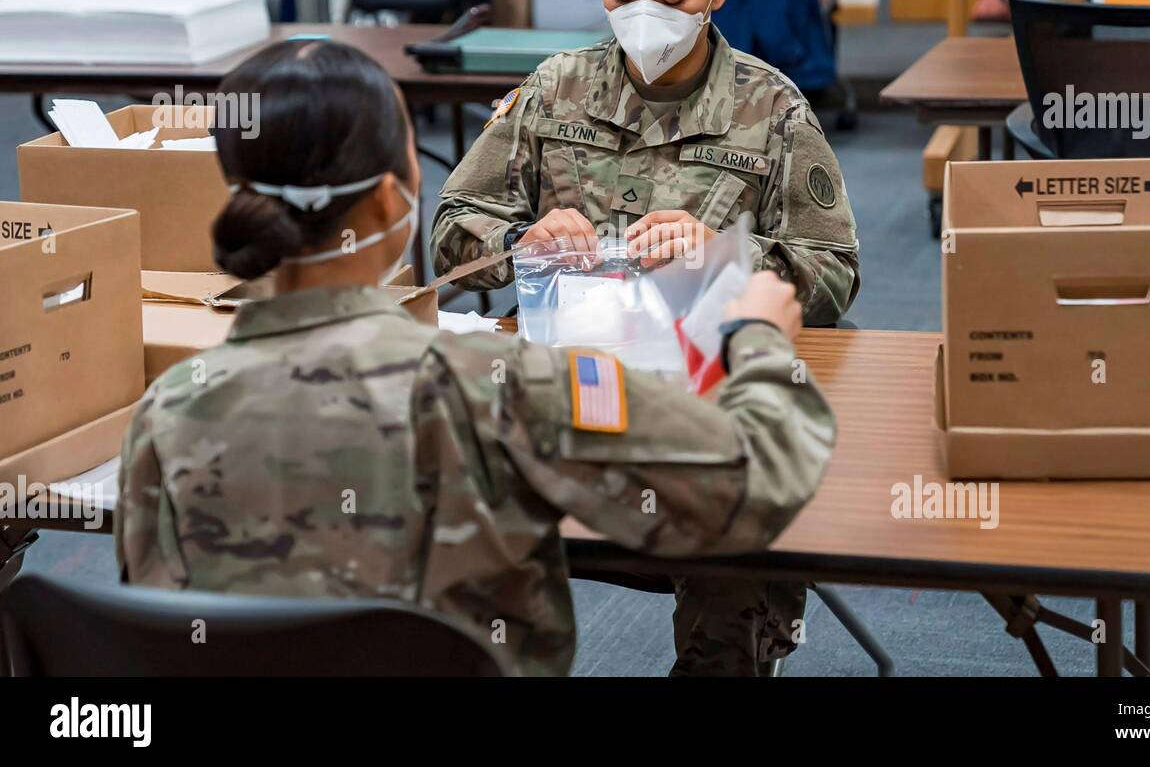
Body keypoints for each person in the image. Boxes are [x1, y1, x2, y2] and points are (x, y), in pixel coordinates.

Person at [114, 39, 835, 678]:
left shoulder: (169, 409)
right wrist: (757, 337)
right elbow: (754, 484)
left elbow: (153, 624)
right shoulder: (502, 387)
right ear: (392, 197)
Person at [431, 0, 858, 676]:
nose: (644, 11)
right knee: (442, 501)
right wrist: (525, 239)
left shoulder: (773, 110)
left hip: (701, 400)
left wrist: (725, 255)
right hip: (563, 396)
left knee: (736, 541)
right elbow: (452, 233)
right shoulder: (555, 89)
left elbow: (832, 275)